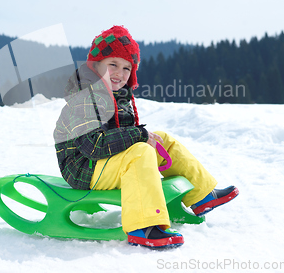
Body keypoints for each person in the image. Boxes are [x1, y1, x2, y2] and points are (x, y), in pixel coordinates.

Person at [53, 25, 238, 248]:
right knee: (141, 151)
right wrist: (138, 136)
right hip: (84, 168)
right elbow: (93, 146)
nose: (120, 73)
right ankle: (144, 226)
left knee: (161, 140)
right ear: (95, 65)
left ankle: (203, 195)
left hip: (106, 162)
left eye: (126, 68)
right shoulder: (86, 97)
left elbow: (122, 138)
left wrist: (143, 138)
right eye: (113, 64)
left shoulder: (118, 97)